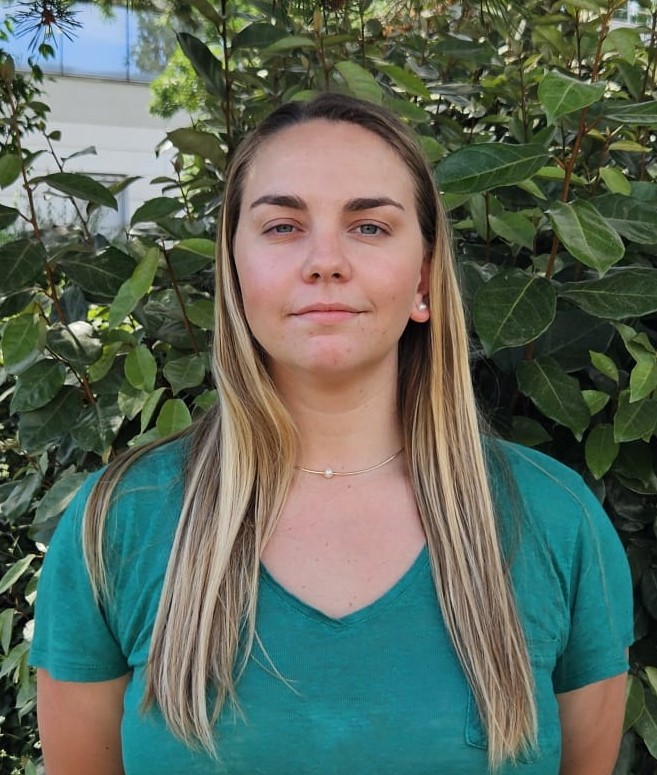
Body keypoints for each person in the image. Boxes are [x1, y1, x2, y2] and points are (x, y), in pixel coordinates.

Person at [30, 93, 633, 775]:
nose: (325, 261)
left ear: (424, 280)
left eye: (369, 226)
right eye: (283, 226)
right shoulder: (119, 523)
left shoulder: (556, 521)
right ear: (234, 271)